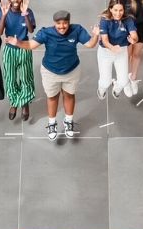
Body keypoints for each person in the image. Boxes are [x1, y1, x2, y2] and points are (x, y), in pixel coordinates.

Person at [33, 10, 96, 140]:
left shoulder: (77, 30)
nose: (62, 26)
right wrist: (16, 43)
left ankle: (68, 121)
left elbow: (90, 44)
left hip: (71, 70)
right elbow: (30, 45)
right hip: (50, 71)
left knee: (69, 95)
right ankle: (52, 124)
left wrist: (96, 35)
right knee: (52, 97)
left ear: (69, 22)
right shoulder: (46, 32)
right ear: (54, 23)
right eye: (59, 23)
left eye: (65, 23)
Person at [0, 0, 37, 122]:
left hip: (24, 47)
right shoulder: (5, 11)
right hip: (10, 49)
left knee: (26, 77)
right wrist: (3, 15)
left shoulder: (28, 12)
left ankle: (25, 103)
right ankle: (14, 102)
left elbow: (31, 30)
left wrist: (25, 13)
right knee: (10, 77)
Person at [95, 0, 139, 100]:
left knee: (123, 81)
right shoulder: (104, 20)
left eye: (121, 10)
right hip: (105, 52)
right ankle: (101, 90)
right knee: (105, 82)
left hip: (121, 51)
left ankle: (116, 89)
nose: (118, 13)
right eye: (115, 10)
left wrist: (134, 40)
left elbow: (134, 35)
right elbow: (105, 40)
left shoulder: (128, 20)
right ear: (110, 9)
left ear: (124, 10)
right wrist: (112, 48)